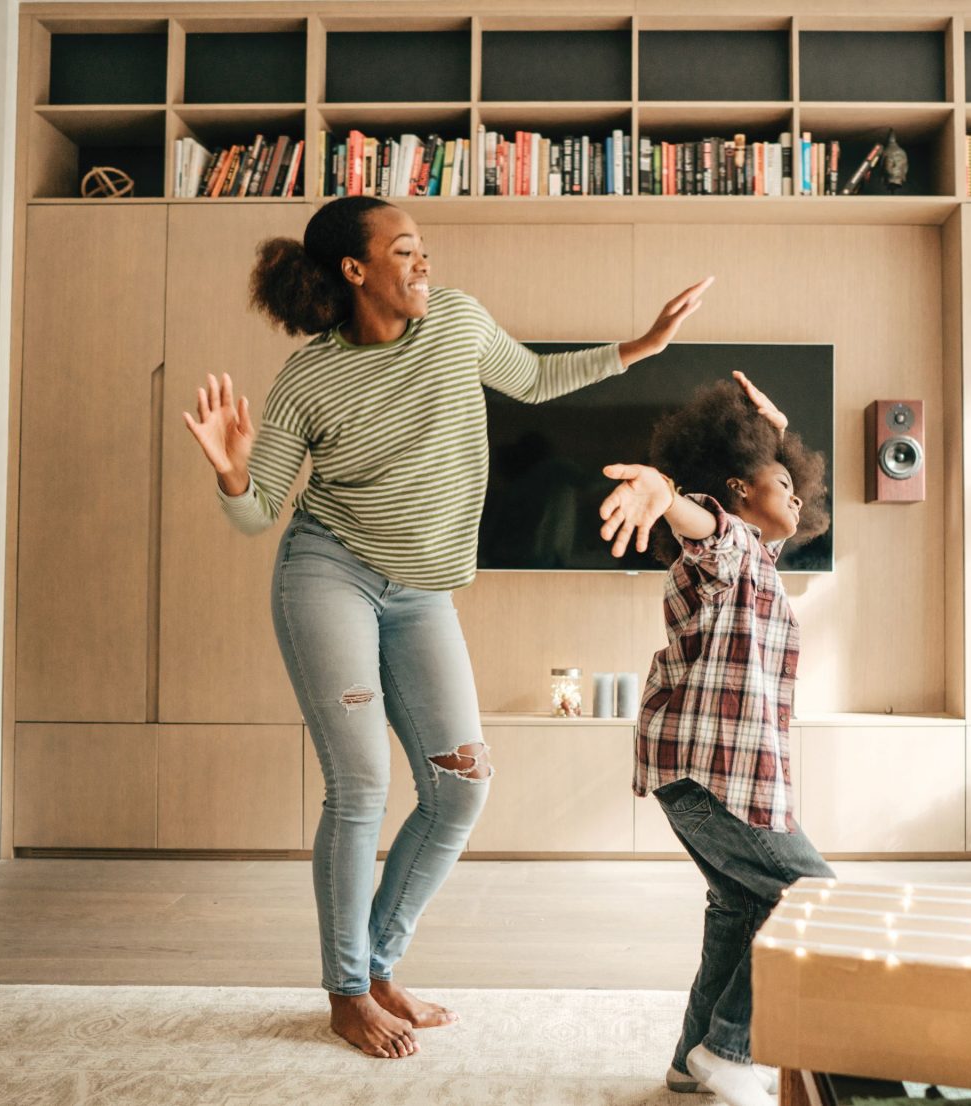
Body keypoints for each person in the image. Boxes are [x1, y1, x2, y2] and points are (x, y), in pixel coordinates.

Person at [182, 195, 712, 1059]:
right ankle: (347, 992)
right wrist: (236, 476)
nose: (424, 262)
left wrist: (641, 346)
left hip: (423, 592)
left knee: (460, 787)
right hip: (331, 575)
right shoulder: (308, 379)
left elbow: (536, 378)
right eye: (405, 250)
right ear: (356, 271)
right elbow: (258, 515)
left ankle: (379, 965)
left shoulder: (457, 322)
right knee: (359, 787)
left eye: (423, 249)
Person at [597, 371, 832, 1106]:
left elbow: (772, 503)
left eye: (799, 485)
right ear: (734, 490)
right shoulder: (720, 552)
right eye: (780, 481)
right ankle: (730, 1049)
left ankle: (688, 1061)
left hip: (707, 774)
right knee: (813, 896)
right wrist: (664, 496)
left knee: (741, 906)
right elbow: (698, 520)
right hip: (709, 776)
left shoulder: (761, 562)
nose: (797, 494)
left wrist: (781, 430)